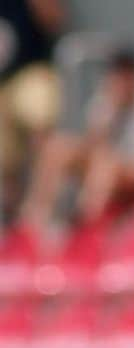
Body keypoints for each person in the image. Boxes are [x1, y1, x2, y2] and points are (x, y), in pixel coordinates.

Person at [18, 46, 134, 233]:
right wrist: (110, 116)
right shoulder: (105, 103)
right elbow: (93, 147)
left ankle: (87, 226)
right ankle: (34, 222)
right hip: (108, 171)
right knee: (58, 147)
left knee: (106, 164)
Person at [0, 0, 66, 219]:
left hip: (31, 72)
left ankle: (42, 210)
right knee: (5, 157)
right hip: (3, 84)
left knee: (40, 121)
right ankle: (11, 219)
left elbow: (55, 20)